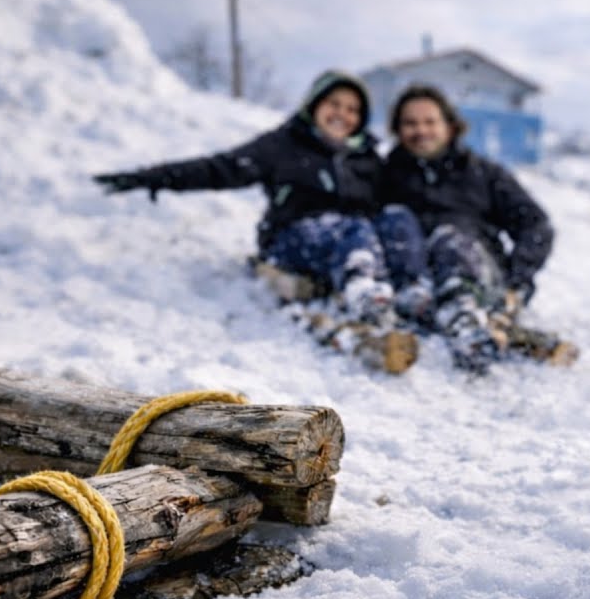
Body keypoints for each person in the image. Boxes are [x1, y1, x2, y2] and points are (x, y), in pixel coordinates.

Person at [92, 70, 432, 325]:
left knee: (398, 217)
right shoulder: (282, 145)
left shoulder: (367, 155)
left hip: (351, 243)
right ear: (315, 104)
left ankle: (411, 293)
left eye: (353, 109)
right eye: (334, 104)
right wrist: (152, 178)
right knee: (351, 228)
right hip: (294, 238)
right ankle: (362, 291)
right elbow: (221, 168)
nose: (343, 114)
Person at [378, 85, 555, 372]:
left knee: (451, 239)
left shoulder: (483, 173)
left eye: (430, 122)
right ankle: (434, 314)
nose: (421, 130)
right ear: (398, 130)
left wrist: (517, 280)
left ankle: (469, 327)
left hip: (477, 275)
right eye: (410, 123)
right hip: (416, 284)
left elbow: (535, 226)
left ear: (449, 126)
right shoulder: (385, 175)